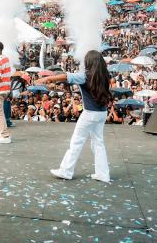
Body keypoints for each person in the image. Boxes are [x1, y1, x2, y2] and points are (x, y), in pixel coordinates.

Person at [36, 50, 113, 183]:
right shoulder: (105, 75)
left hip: (89, 114)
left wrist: (47, 78)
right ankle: (103, 174)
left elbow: (66, 76)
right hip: (102, 113)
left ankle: (66, 170)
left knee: (76, 142)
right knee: (99, 143)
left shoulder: (85, 76)